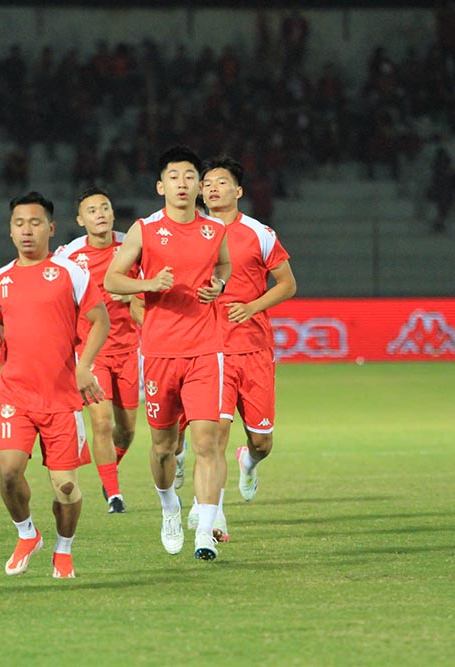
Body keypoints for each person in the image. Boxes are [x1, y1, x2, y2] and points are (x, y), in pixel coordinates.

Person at [104, 146, 232, 561]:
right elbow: (112, 281)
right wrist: (149, 285)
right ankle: (169, 507)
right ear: (161, 186)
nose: (182, 182)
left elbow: (224, 267)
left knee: (207, 443)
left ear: (199, 185)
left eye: (190, 176)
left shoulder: (215, 230)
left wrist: (218, 286)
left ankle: (206, 533)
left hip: (205, 350)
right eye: (174, 176)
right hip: (159, 352)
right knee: (163, 447)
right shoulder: (144, 229)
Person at [0, 192, 110, 579]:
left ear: (51, 229)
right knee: (8, 473)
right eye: (19, 223)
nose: (27, 230)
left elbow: (100, 320)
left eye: (35, 223)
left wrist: (84, 366)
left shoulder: (70, 272)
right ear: (10, 231)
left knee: (67, 489)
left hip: (60, 399)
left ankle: (63, 547)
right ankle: (26, 534)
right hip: (14, 395)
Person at [184, 156, 296, 538]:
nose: (212, 188)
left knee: (262, 441)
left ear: (239, 191)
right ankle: (213, 514)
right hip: (208, 350)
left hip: (253, 348)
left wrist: (252, 306)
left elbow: (287, 284)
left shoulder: (259, 233)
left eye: (221, 182)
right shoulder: (190, 232)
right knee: (212, 437)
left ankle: (250, 461)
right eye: (207, 183)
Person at [55, 187, 140, 514]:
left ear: (113, 213)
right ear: (80, 220)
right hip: (91, 353)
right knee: (101, 423)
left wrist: (135, 296)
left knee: (127, 430)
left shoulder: (131, 246)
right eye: (92, 210)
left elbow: (149, 286)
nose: (100, 214)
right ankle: (114, 495)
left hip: (130, 350)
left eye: (105, 207)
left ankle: (109, 468)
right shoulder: (70, 256)